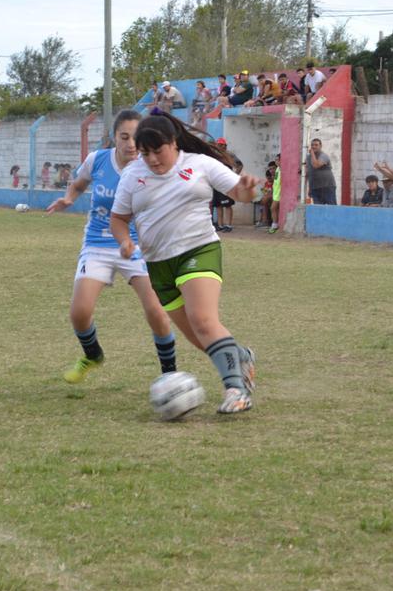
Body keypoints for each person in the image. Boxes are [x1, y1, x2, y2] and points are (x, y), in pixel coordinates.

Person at [110, 110, 260, 414]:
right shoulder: (132, 175)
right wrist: (125, 241)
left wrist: (247, 188)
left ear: (174, 142)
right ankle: (240, 355)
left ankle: (237, 390)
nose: (152, 159)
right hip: (158, 265)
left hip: (198, 250)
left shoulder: (200, 165)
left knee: (203, 320)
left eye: (158, 151)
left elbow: (239, 192)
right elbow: (119, 218)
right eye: (145, 152)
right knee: (197, 335)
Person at [47, 110, 181, 384]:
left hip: (138, 247)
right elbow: (79, 183)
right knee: (79, 312)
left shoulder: (149, 167)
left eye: (135, 137)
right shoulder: (97, 160)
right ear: (114, 137)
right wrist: (69, 199)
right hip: (97, 243)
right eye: (124, 136)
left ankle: (170, 374)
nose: (131, 144)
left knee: (156, 310)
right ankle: (93, 354)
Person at [210, 138, 236, 232]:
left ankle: (228, 225)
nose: (222, 147)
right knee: (218, 205)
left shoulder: (230, 155)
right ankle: (220, 225)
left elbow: (239, 165)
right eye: (220, 145)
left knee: (227, 204)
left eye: (224, 145)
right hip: (216, 183)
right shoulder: (214, 156)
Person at [306, 138, 337, 205]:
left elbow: (316, 165)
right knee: (318, 210)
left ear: (320, 146)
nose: (313, 146)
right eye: (312, 145)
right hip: (315, 188)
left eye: (316, 145)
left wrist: (312, 154)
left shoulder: (323, 156)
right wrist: (310, 188)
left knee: (332, 208)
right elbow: (309, 173)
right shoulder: (308, 158)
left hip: (327, 187)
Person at [268, 153, 282, 233]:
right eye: (276, 160)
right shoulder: (277, 169)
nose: (276, 161)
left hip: (279, 193)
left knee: (273, 208)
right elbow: (276, 181)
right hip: (276, 192)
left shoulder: (282, 170)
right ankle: (275, 224)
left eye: (277, 159)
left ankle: (274, 224)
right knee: (274, 208)